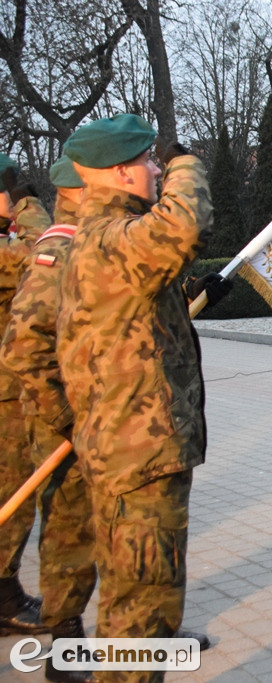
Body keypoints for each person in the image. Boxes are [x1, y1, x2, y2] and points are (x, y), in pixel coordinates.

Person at [56, 114, 213, 678]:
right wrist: (186, 162)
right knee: (141, 613)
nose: (156, 170)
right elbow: (184, 226)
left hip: (127, 452)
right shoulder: (108, 239)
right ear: (122, 172)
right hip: (137, 458)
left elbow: (132, 325)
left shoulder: (99, 240)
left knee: (137, 602)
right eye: (148, 161)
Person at [1, 156, 99, 683]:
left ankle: (143, 631)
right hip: (49, 410)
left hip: (103, 416)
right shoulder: (55, 248)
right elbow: (23, 347)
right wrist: (65, 417)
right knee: (65, 523)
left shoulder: (96, 243)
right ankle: (65, 644)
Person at [0, 154, 48, 637]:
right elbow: (41, 253)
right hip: (4, 399)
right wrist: (27, 204)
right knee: (11, 492)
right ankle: (3, 598)